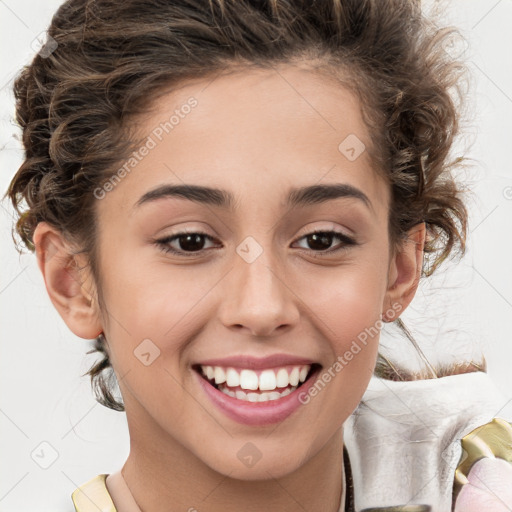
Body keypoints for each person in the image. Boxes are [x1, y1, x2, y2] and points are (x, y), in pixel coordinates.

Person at [5, 0, 512, 510]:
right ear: (74, 280)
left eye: (321, 240)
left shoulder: (487, 481)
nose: (261, 308)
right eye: (189, 241)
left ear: (399, 268)